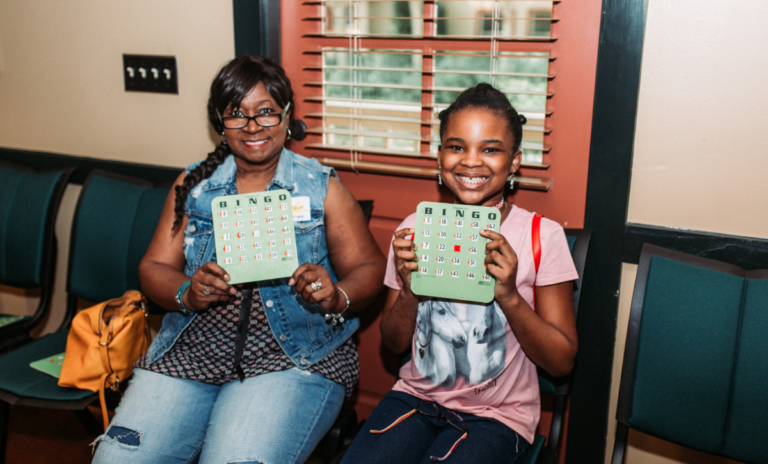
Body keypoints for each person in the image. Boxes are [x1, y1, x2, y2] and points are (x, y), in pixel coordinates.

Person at [92, 55, 386, 464]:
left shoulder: (319, 187)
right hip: (192, 349)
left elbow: (371, 269)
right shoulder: (195, 187)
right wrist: (187, 293)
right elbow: (153, 267)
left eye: (266, 112)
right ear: (220, 121)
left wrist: (336, 295)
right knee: (117, 460)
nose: (252, 127)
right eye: (237, 114)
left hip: (292, 356)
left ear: (286, 116)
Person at [341, 83, 579, 464]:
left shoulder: (541, 236)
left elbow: (562, 361)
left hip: (499, 416)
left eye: (490, 149)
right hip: (416, 398)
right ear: (439, 157)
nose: (471, 161)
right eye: (456, 147)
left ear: (514, 162)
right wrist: (409, 288)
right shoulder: (415, 229)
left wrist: (510, 296)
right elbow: (393, 341)